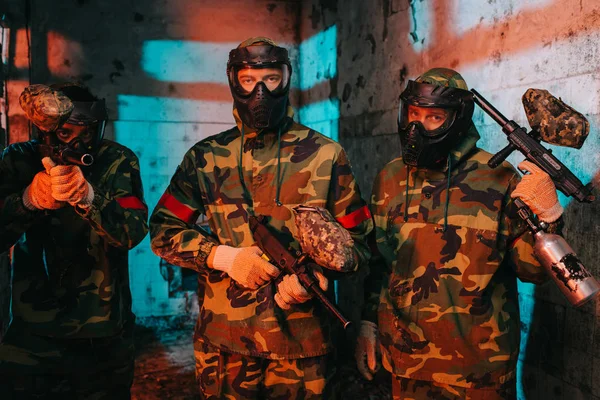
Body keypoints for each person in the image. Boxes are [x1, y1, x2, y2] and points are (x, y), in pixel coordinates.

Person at [150, 36, 372, 399]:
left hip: (300, 347)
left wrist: (318, 276)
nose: (261, 92)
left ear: (286, 80)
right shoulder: (206, 157)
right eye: (249, 80)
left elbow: (360, 243)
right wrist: (223, 257)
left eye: (272, 79)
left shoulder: (325, 155)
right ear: (233, 81)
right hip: (225, 344)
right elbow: (162, 231)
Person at [355, 68, 562, 399]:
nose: (417, 128)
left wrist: (548, 216)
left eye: (434, 117)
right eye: (413, 114)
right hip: (405, 364)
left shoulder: (498, 178)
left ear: (458, 118)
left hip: (479, 372)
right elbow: (381, 264)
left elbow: (534, 270)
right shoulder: (390, 178)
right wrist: (367, 324)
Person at [0, 83, 148, 399]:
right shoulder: (18, 160)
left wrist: (89, 197)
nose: (79, 142)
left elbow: (132, 232)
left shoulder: (116, 160)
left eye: (88, 132)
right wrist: (27, 200)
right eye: (67, 133)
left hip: (103, 337)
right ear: (47, 130)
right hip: (33, 336)